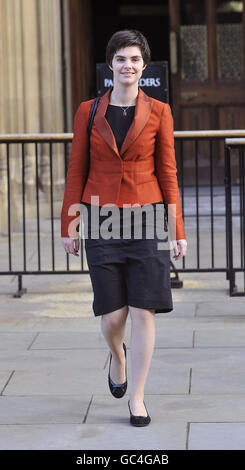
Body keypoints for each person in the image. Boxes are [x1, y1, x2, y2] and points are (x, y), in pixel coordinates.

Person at [61, 29, 187, 426]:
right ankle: (118, 356)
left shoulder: (160, 111)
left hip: (147, 218)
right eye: (120, 59)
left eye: (134, 59)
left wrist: (177, 228)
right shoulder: (89, 111)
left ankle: (138, 397)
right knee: (113, 316)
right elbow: (76, 169)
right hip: (101, 220)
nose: (127, 65)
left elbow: (168, 171)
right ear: (110, 65)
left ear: (144, 66)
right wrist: (70, 222)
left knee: (143, 310)